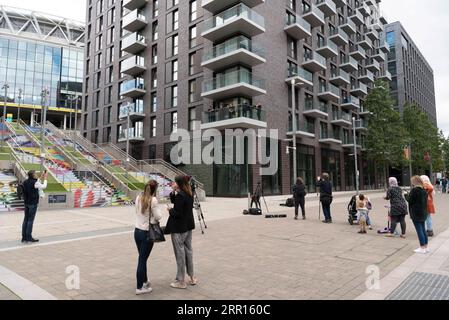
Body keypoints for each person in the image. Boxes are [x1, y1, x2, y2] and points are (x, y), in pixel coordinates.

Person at [166, 176, 197, 289]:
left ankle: (180, 280)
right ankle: (192, 276)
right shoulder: (189, 193)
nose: (173, 183)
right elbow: (176, 201)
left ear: (179, 183)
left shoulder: (181, 195)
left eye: (175, 182)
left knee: (180, 254)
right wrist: (174, 191)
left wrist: (170, 210)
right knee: (188, 251)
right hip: (188, 227)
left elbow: (177, 212)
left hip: (179, 229)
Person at [134, 180, 163, 295]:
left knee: (142, 258)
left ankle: (145, 281)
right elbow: (158, 216)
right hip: (147, 233)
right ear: (155, 189)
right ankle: (139, 287)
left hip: (137, 231)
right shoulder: (153, 200)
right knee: (142, 259)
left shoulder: (138, 197)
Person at [21, 170, 48, 243]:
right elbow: (43, 186)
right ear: (33, 175)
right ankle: (29, 237)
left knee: (25, 220)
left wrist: (42, 176)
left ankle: (24, 237)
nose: (36, 174)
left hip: (26, 203)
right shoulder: (35, 183)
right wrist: (45, 178)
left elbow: (36, 183)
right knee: (30, 220)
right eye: (35, 173)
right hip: (33, 203)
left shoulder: (25, 182)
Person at [405, 176, 429, 254]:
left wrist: (406, 195)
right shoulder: (424, 190)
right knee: (423, 229)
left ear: (415, 182)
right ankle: (425, 247)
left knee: (419, 230)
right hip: (423, 212)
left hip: (416, 213)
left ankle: (422, 247)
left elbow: (410, 200)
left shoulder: (415, 190)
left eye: (412, 181)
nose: (411, 183)